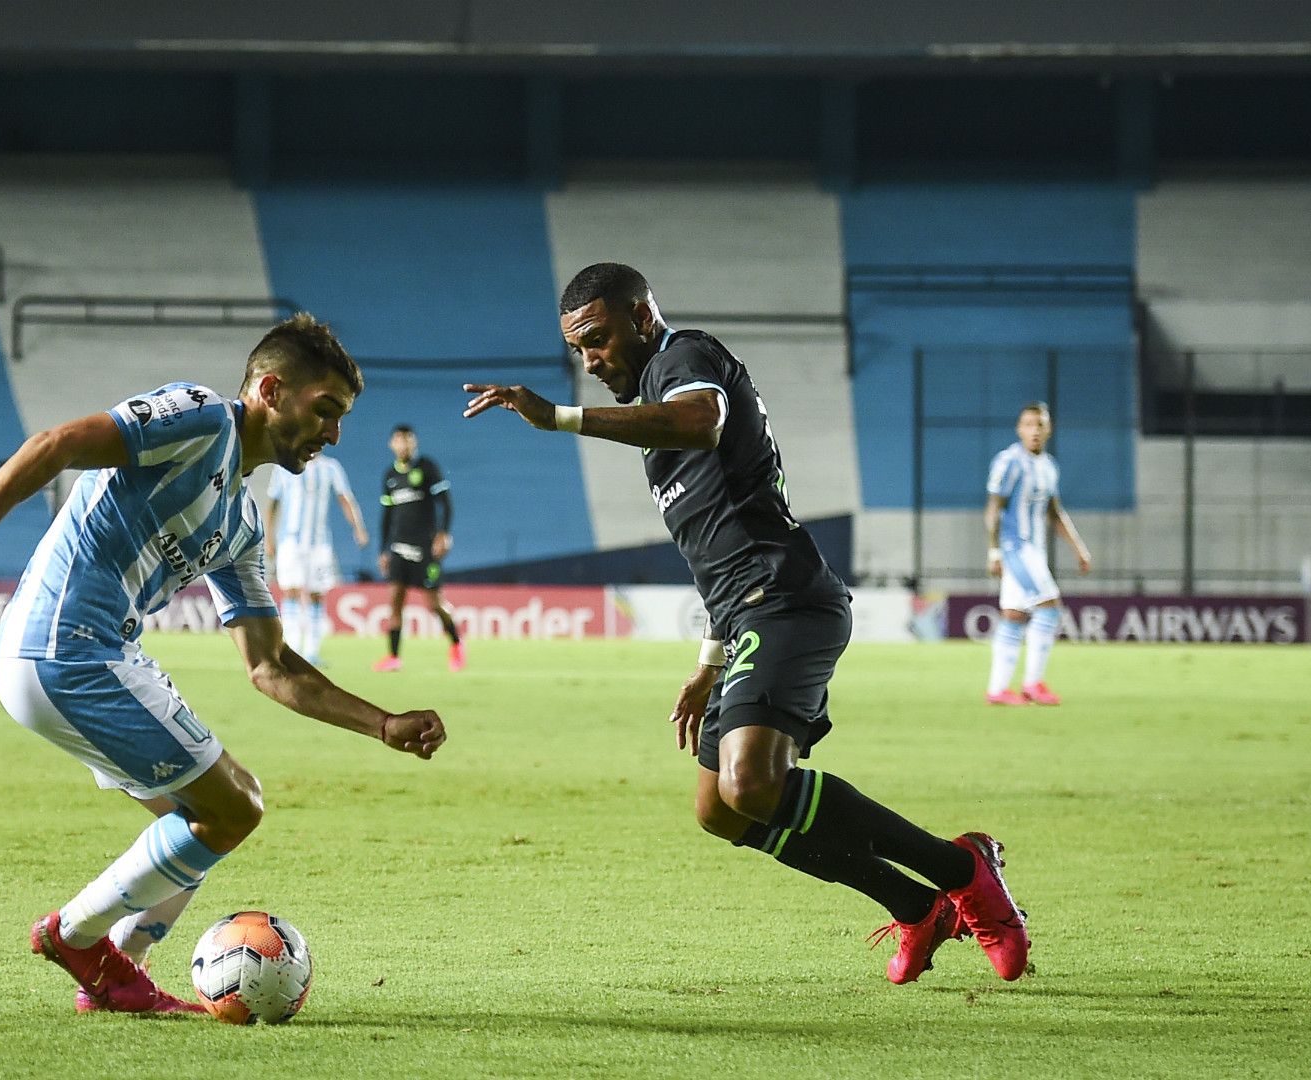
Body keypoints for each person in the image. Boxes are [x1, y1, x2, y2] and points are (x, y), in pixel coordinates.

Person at [463, 262, 1028, 986]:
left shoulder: (685, 359)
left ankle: (964, 868)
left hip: (788, 599)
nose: (590, 360)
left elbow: (703, 421)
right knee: (721, 812)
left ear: (641, 317)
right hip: (745, 612)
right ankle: (917, 905)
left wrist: (559, 417)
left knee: (753, 784)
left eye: (598, 340)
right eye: (579, 351)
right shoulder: (653, 414)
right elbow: (712, 553)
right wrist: (707, 663)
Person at [0, 314, 447, 1015]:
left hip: (93, 657)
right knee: (234, 806)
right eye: (325, 410)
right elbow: (59, 444)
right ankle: (77, 936)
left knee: (202, 816)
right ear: (271, 390)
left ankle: (122, 975)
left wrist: (383, 723)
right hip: (64, 649)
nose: (334, 433)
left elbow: (270, 666)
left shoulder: (240, 525)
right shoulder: (200, 417)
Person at [985, 403, 1092, 706]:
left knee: (1014, 615)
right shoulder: (1009, 462)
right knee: (1049, 607)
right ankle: (1033, 684)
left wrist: (1079, 548)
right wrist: (994, 551)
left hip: (1034, 548)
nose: (1034, 430)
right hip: (1015, 546)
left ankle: (998, 690)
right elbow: (993, 507)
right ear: (1019, 429)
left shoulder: (1048, 466)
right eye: (1028, 424)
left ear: (1048, 430)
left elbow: (1054, 513)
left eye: (1039, 425)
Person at [264, 452, 369, 667]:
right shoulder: (285, 466)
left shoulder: (331, 467)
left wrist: (358, 527)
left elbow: (345, 498)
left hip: (319, 544)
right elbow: (272, 503)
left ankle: (311, 652)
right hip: (290, 541)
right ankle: (291, 648)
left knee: (317, 595)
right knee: (291, 591)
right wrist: (269, 537)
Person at [375, 424, 464, 673]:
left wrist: (443, 534)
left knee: (434, 604)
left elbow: (446, 503)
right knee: (395, 600)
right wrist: (383, 551)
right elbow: (386, 516)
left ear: (414, 443)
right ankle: (393, 656)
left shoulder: (427, 467)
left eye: (408, 440)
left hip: (425, 548)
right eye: (398, 440)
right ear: (391, 444)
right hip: (398, 548)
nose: (403, 444)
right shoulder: (390, 476)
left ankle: (456, 643)